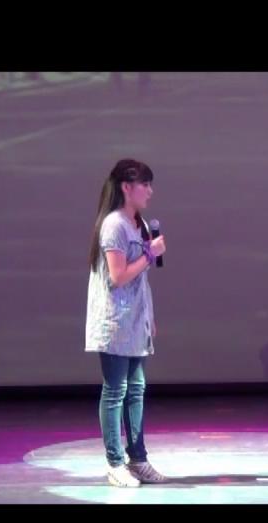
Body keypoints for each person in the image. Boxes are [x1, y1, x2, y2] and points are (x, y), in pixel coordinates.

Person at [85, 158, 167, 487]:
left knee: (136, 389)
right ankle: (115, 462)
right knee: (116, 390)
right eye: (144, 184)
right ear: (126, 187)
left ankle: (139, 459)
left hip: (135, 319)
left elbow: (140, 280)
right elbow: (118, 276)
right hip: (115, 320)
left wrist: (149, 316)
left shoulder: (140, 223)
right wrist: (149, 254)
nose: (150, 191)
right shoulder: (114, 225)